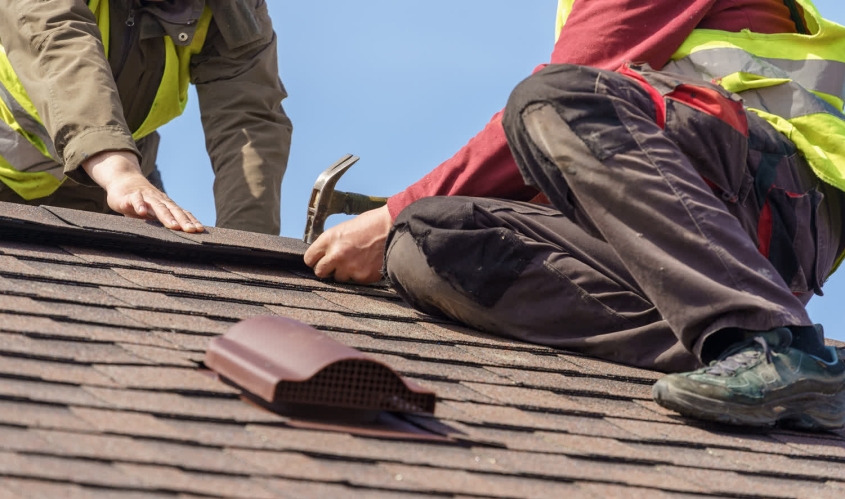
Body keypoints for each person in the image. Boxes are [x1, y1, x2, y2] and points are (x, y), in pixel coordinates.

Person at [305, 0, 845, 430]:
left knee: (550, 97)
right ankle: (746, 359)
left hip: (766, 204)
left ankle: (775, 343)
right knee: (427, 241)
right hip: (703, 241)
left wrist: (385, 212)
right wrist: (400, 219)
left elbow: (571, 91)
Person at [0, 0, 292, 235]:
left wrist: (246, 245)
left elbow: (247, 119)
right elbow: (60, 44)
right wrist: (121, 174)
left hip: (118, 191)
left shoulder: (234, 9)